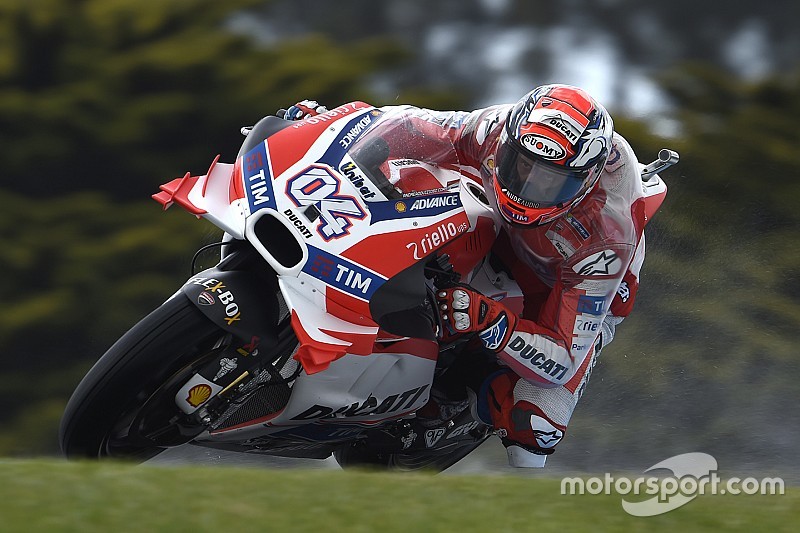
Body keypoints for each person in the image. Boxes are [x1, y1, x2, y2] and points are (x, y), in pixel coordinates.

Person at [282, 85, 650, 467]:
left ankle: (473, 400)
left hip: (563, 283)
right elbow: (411, 125)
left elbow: (559, 360)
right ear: (509, 143)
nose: (528, 187)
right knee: (416, 179)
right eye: (521, 165)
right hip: (500, 232)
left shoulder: (606, 235)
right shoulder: (495, 128)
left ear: (584, 181)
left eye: (550, 180)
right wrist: (329, 127)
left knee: (534, 432)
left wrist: (491, 321)